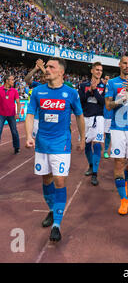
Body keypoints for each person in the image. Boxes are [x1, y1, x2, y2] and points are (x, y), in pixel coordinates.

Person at [25, 57, 85, 242]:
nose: (47, 69)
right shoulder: (37, 92)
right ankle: (52, 210)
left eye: (51, 67)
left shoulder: (71, 93)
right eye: (47, 66)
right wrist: (28, 136)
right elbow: (29, 115)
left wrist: (82, 138)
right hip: (42, 144)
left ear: (61, 72)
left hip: (62, 144)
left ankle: (57, 225)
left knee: (59, 181)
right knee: (47, 180)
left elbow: (80, 117)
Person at [105, 53, 128, 216]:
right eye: (125, 63)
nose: (127, 66)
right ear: (119, 65)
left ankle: (122, 182)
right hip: (118, 128)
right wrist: (120, 100)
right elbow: (108, 106)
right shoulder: (112, 83)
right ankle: (124, 199)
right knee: (119, 163)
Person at [78, 62, 105, 186]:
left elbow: (103, 102)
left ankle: (95, 173)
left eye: (100, 70)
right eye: (97, 69)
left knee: (97, 145)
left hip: (98, 118)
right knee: (86, 145)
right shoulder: (83, 85)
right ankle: (90, 165)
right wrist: (89, 91)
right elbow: (82, 100)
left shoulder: (104, 86)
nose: (99, 72)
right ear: (92, 71)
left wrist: (96, 91)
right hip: (85, 118)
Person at [25, 59, 47, 139]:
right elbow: (27, 79)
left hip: (48, 116)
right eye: (41, 77)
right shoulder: (38, 85)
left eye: (45, 77)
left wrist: (42, 67)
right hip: (37, 117)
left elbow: (52, 79)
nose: (43, 79)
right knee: (38, 139)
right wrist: (35, 69)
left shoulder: (52, 85)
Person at [0, 74, 21, 154]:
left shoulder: (14, 91)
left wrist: (18, 113)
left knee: (14, 131)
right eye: (12, 79)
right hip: (1, 114)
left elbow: (18, 103)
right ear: (6, 81)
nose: (13, 81)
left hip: (11, 115)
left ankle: (17, 147)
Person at [102, 75, 113, 159]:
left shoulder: (113, 89)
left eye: (108, 80)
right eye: (106, 79)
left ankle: (106, 150)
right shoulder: (100, 89)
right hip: (100, 115)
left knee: (108, 135)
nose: (107, 81)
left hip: (109, 116)